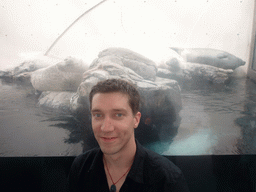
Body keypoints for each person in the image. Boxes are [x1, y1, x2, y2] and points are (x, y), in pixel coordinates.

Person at [68, 78, 189, 192]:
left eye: (118, 115)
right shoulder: (81, 167)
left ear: (136, 120)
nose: (106, 128)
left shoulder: (168, 180)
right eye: (98, 115)